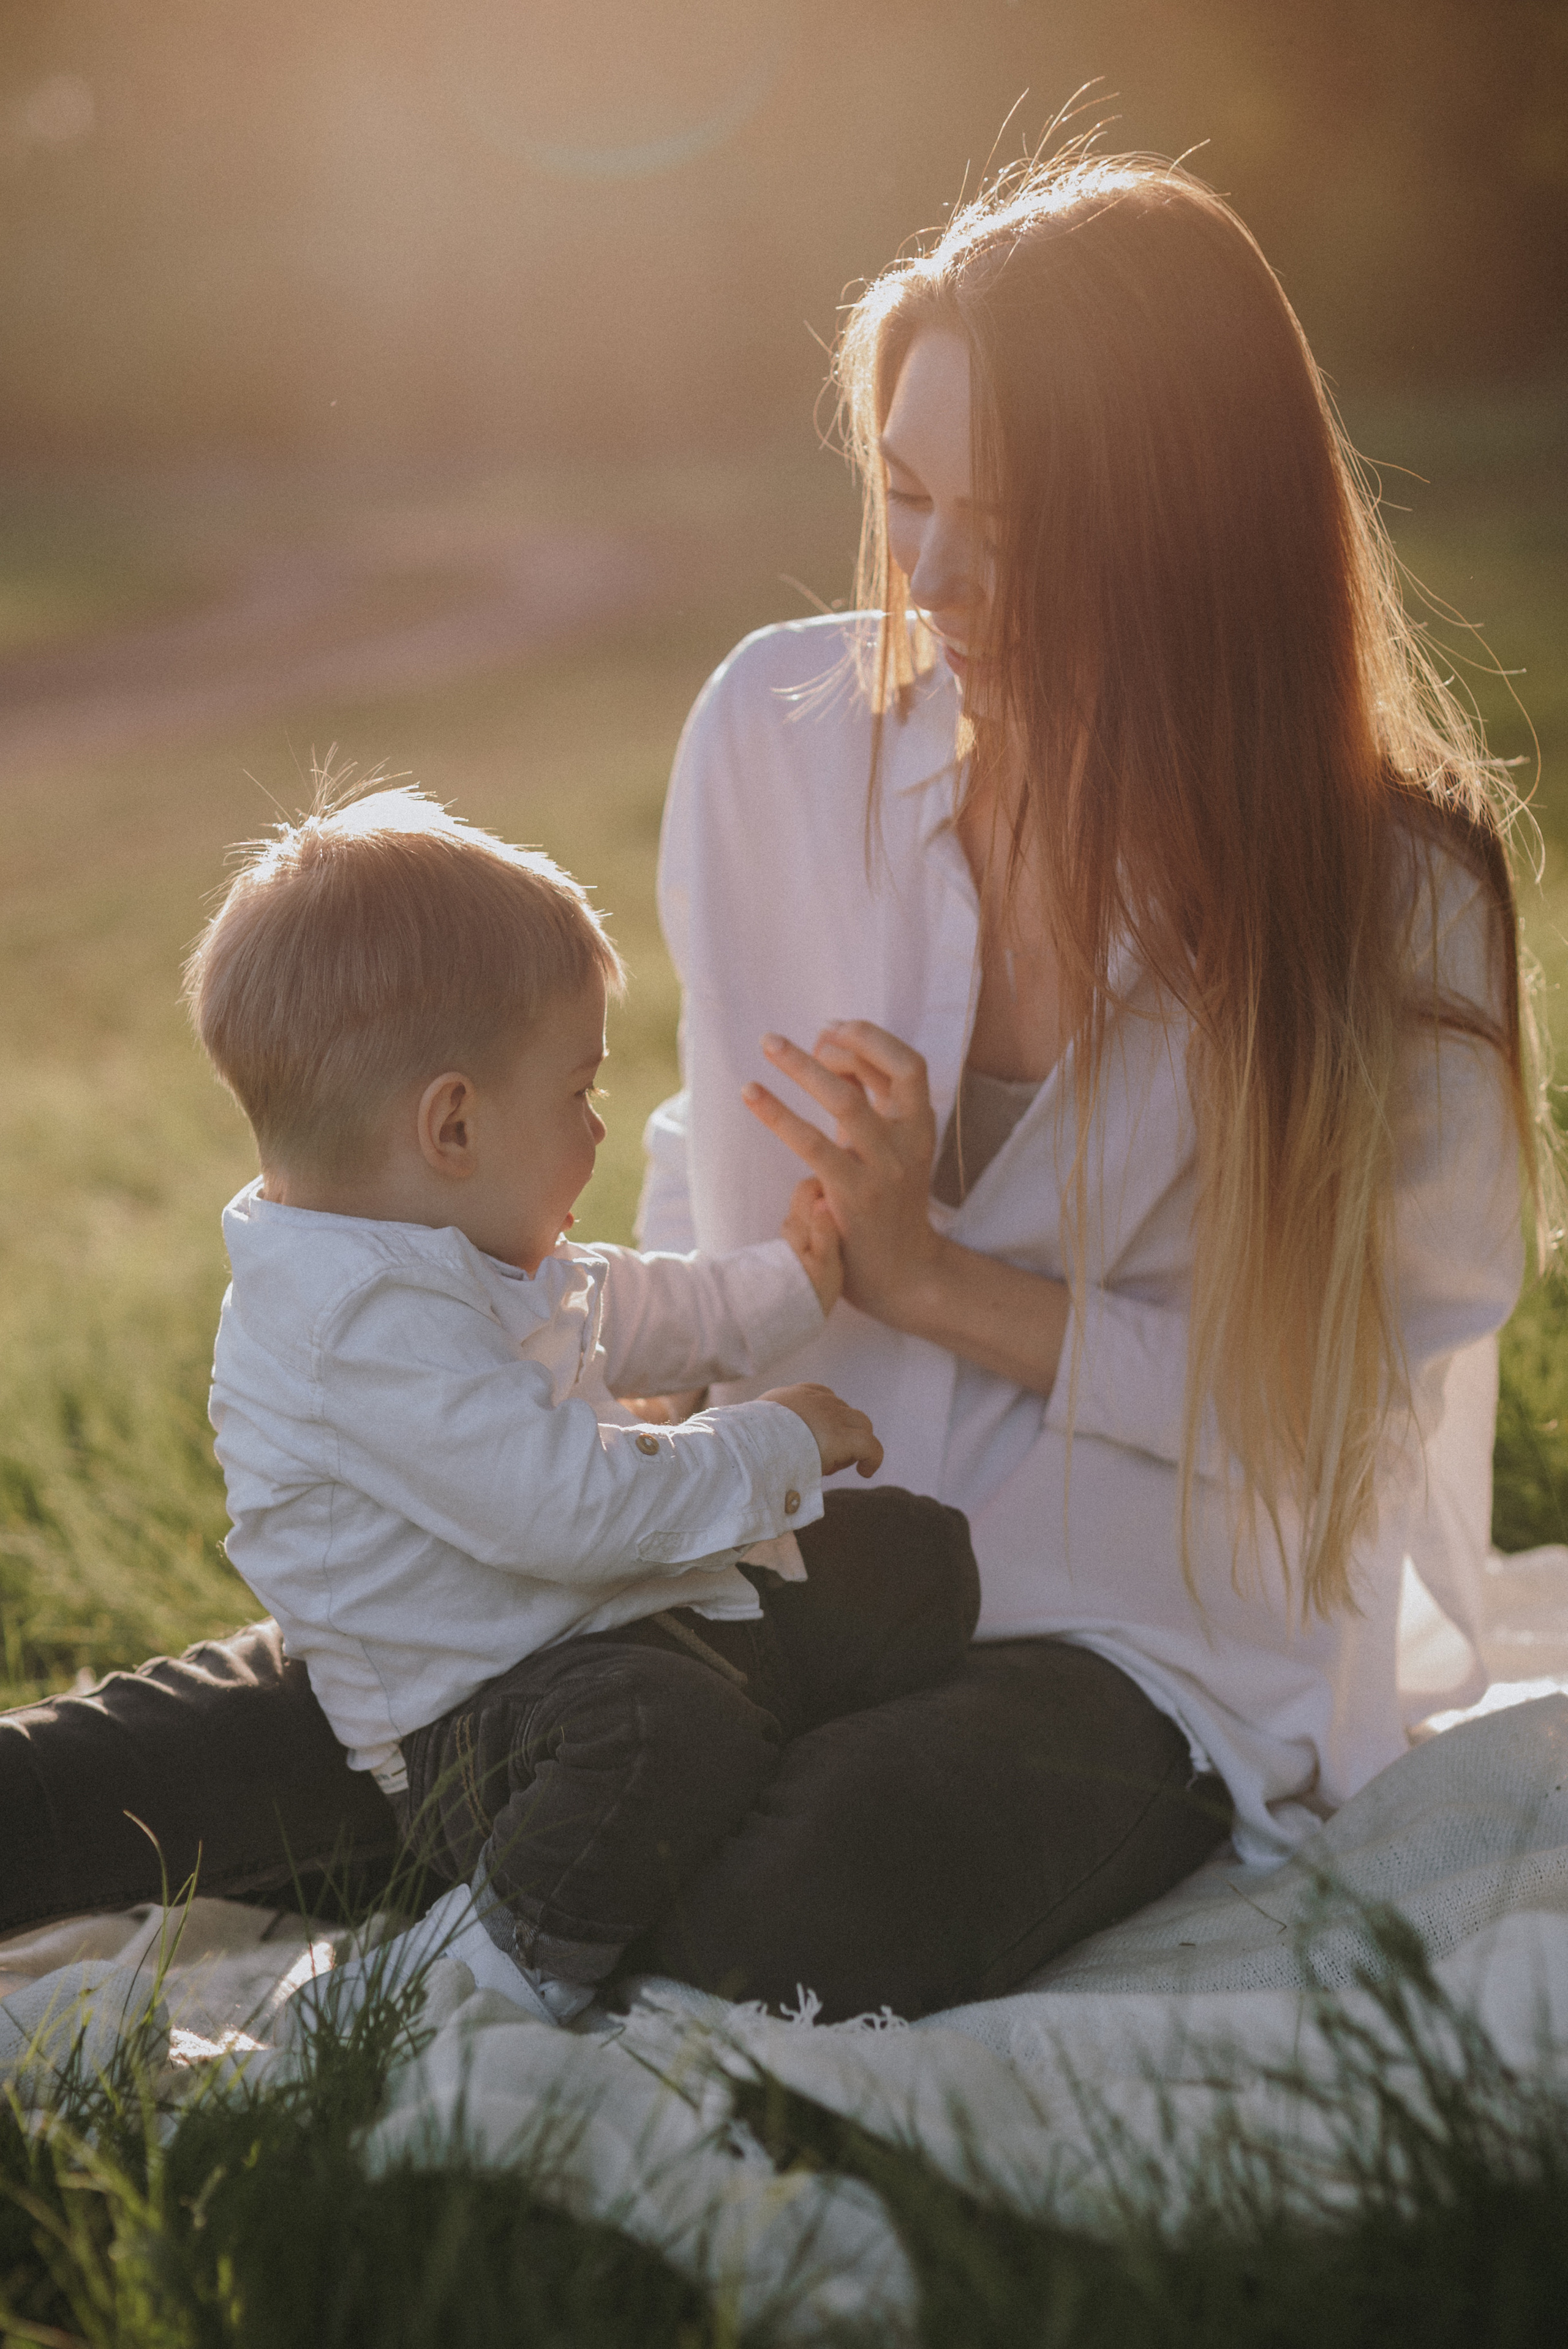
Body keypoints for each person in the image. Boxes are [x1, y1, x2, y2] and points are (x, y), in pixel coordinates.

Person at [0, 149, 1537, 2022]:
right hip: (739, 1547)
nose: (935, 575)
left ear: (1188, 531)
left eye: (1012, 521)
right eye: (908, 494)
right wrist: (615, 1424)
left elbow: (1339, 1417)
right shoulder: (776, 734)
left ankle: (451, 1961)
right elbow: (700, 1151)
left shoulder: (1397, 903)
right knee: (143, 1768)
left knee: (785, 1906)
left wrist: (934, 1282)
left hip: (1135, 1620)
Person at [178, 785, 979, 2022]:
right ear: (452, 1123)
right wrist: (771, 1438)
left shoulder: (437, 1245)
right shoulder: (359, 1326)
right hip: (479, 1728)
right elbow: (567, 1512)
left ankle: (720, 1763)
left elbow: (623, 1303)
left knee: (914, 1561)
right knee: (661, 1728)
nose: (599, 1128)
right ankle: (488, 1964)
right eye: (578, 1093)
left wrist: (791, 1282)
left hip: (597, 1632)